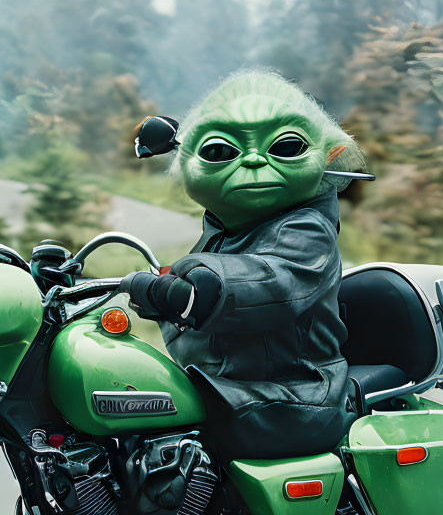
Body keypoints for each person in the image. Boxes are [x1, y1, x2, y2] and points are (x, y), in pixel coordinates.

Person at [120, 71, 370, 460]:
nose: (253, 161)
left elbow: (274, 282)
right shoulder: (224, 229)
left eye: (286, 146)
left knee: (161, 466)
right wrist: (160, 292)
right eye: (219, 151)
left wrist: (202, 291)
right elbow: (203, 283)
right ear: (184, 159)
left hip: (289, 396)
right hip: (226, 385)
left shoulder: (305, 230)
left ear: (330, 154)